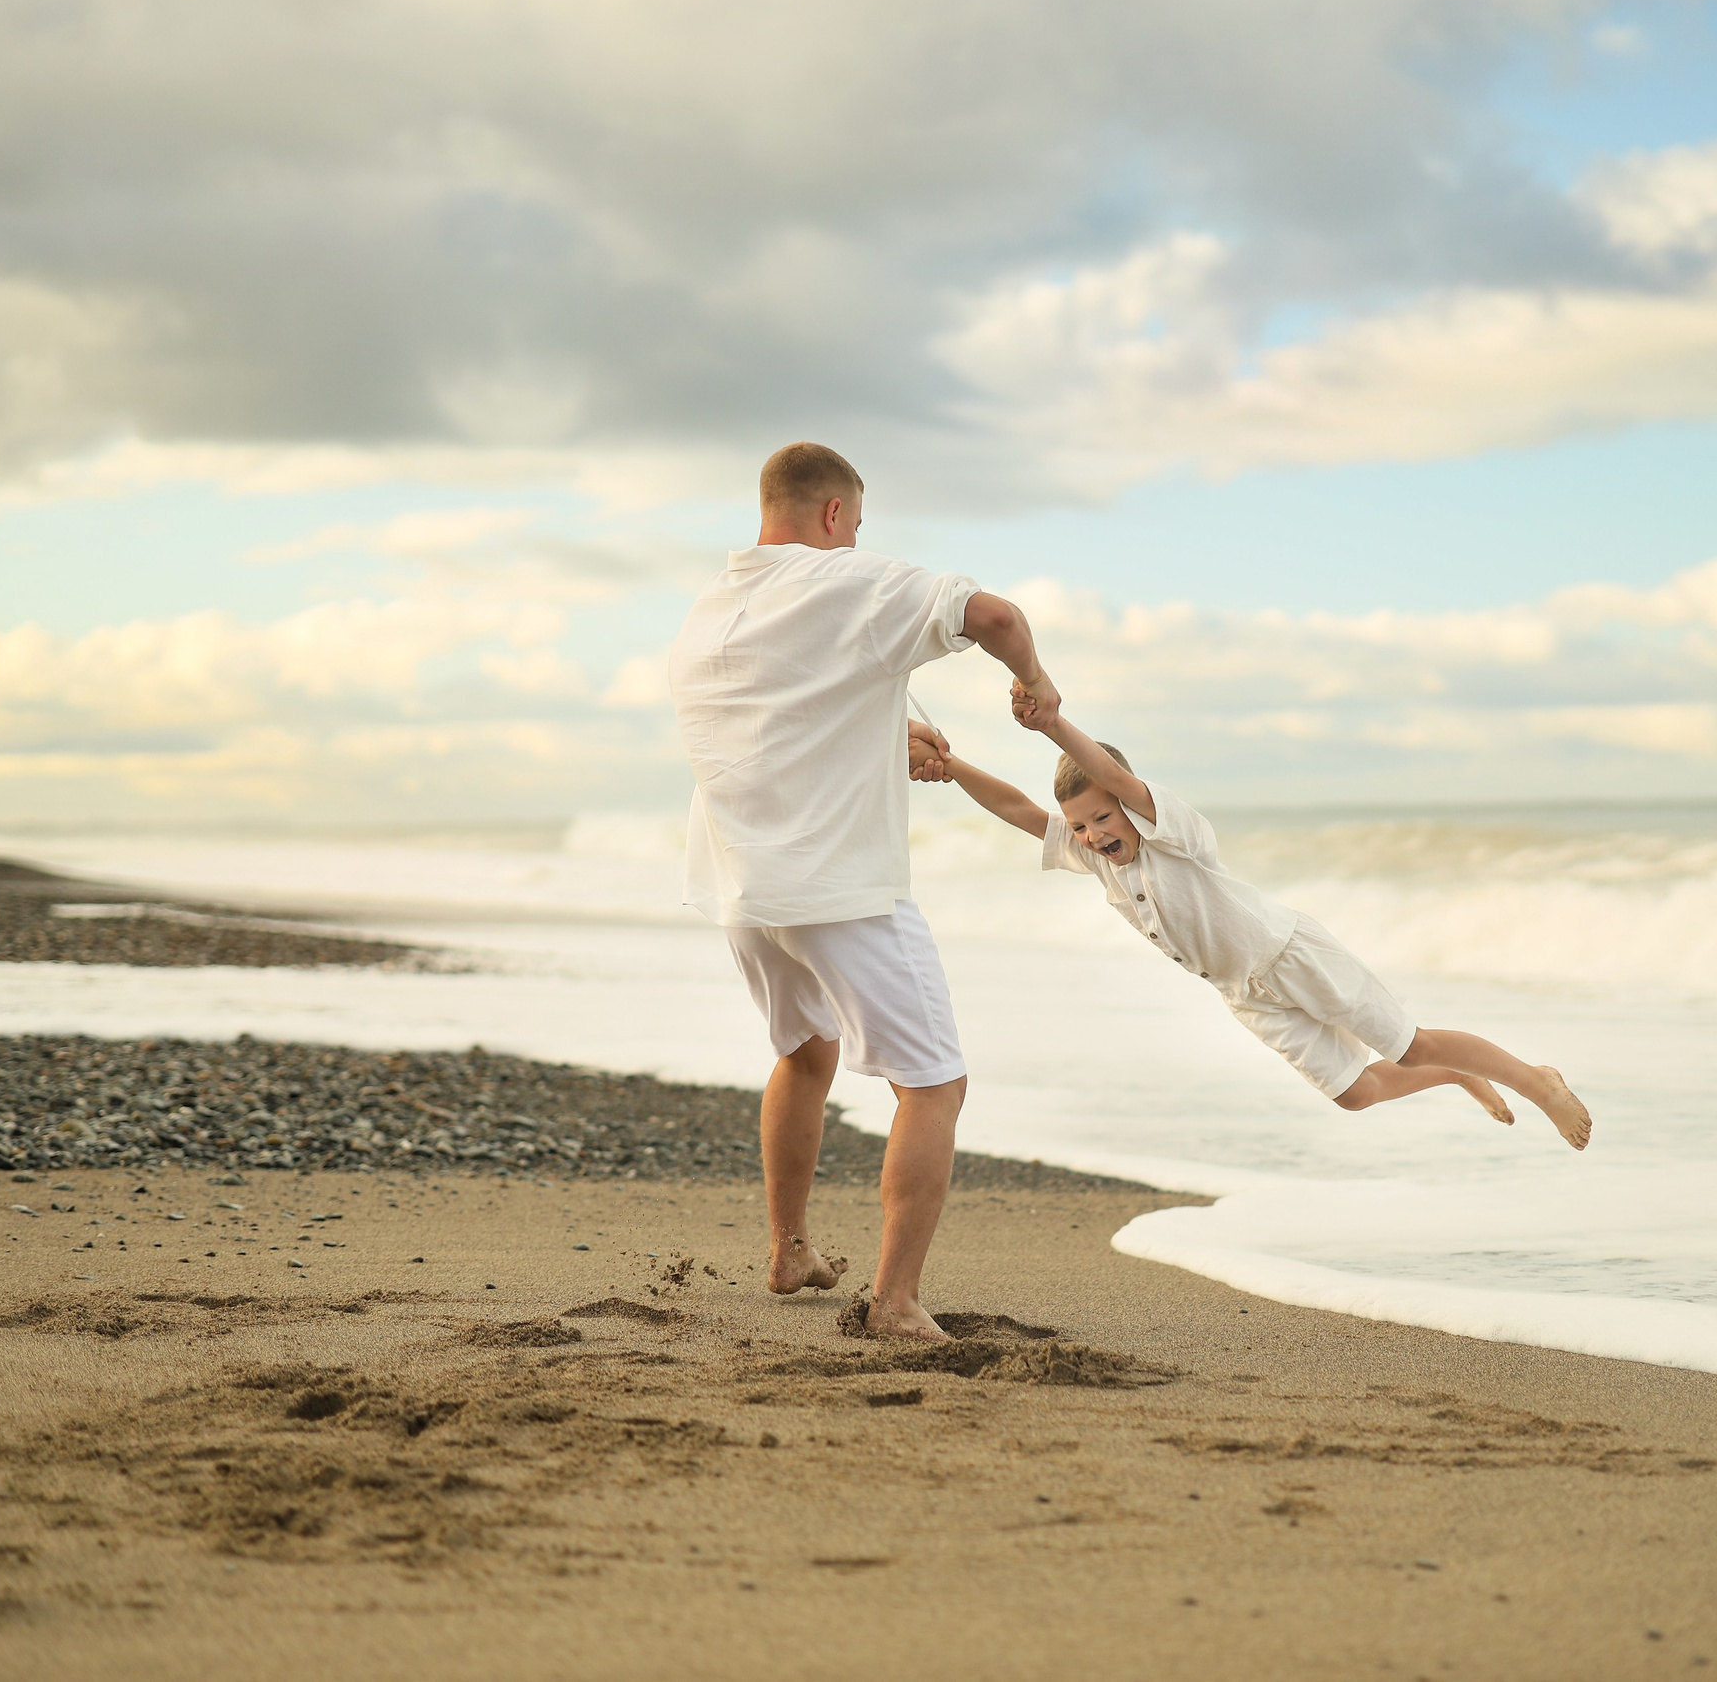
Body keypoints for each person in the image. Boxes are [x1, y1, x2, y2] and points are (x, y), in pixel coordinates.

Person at [669, 442, 1062, 1343]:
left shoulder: (711, 609)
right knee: (934, 1083)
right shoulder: (843, 578)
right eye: (854, 526)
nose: (854, 542)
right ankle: (893, 1299)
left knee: (805, 1053)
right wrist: (1037, 685)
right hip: (839, 889)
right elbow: (995, 615)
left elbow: (779, 726)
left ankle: (789, 1250)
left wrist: (892, 736)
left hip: (740, 886)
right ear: (834, 514)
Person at [906, 706, 1593, 1148]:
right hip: (1245, 994)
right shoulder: (1100, 862)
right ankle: (1460, 1077)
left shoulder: (1170, 832)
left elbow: (1110, 772)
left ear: (1130, 806)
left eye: (1102, 818)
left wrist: (1053, 723)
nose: (1091, 835)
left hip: (1291, 954)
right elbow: (1019, 809)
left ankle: (1537, 1082)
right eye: (1080, 826)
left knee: (1410, 1047)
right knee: (1356, 1094)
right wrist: (951, 765)